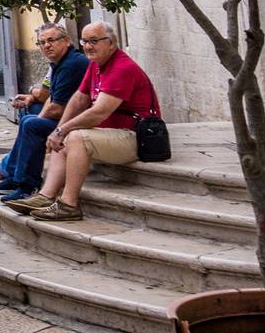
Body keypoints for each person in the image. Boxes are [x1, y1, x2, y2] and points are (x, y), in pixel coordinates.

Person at [8, 23, 159, 222]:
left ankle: (68, 204)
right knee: (66, 134)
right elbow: (79, 98)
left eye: (94, 41)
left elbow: (99, 112)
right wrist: (60, 129)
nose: (88, 46)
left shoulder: (121, 68)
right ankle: (45, 196)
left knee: (76, 136)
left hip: (136, 137)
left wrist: (62, 130)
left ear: (111, 43)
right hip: (111, 133)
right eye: (85, 41)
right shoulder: (96, 65)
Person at [0, 23, 87, 201]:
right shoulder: (59, 63)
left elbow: (57, 108)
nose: (46, 46)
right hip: (67, 116)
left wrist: (37, 121)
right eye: (42, 42)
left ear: (67, 41)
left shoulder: (72, 64)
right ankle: (13, 174)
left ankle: (27, 184)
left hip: (77, 121)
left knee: (32, 124)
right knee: (30, 116)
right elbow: (50, 98)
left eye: (52, 40)